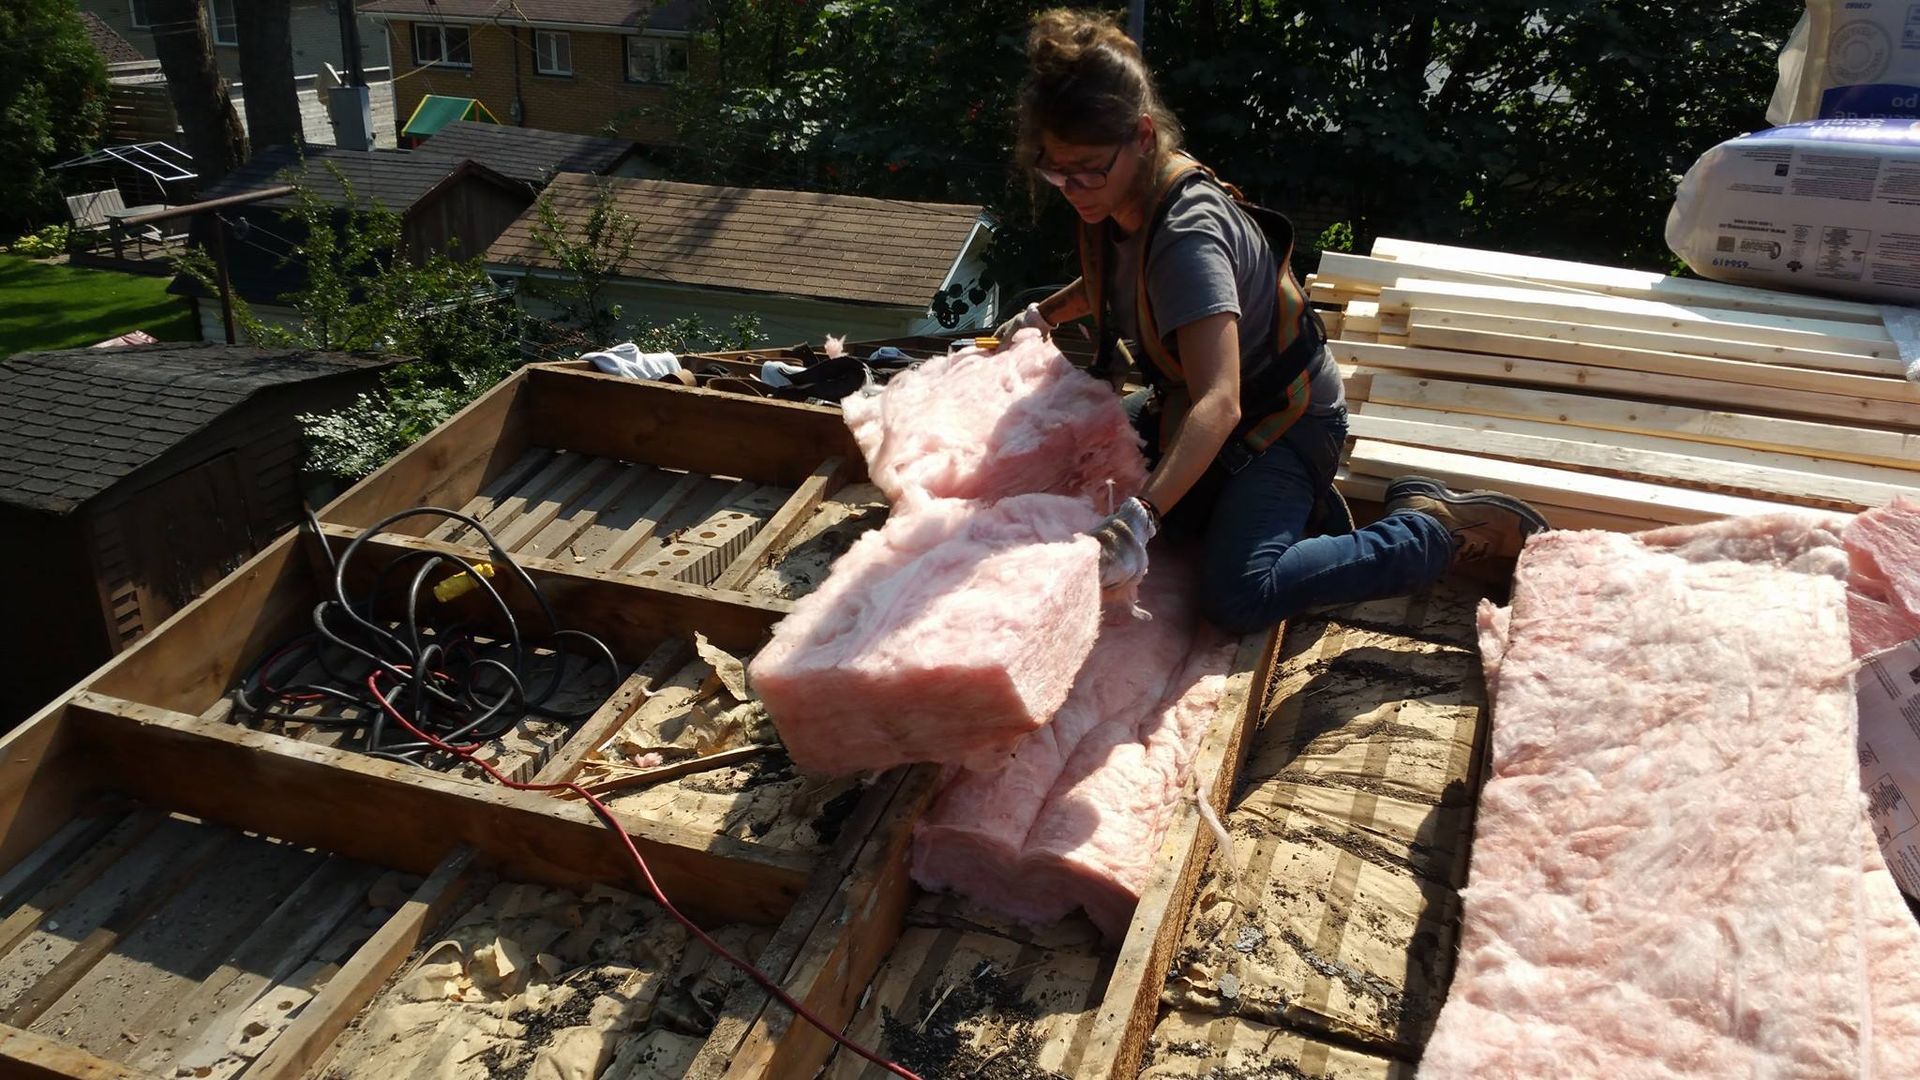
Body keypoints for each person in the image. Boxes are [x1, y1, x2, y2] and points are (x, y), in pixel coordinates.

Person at [995, 9, 1547, 634]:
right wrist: (1043, 313)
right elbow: (1114, 275)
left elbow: (1219, 403)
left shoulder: (1187, 239)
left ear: (1143, 136)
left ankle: (1430, 530)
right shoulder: (1119, 195)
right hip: (1202, 402)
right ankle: (1269, 512)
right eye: (1054, 169)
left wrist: (1140, 516)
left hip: (1282, 419)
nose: (1071, 187)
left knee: (1237, 594)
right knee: (1065, 464)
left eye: (1087, 168)